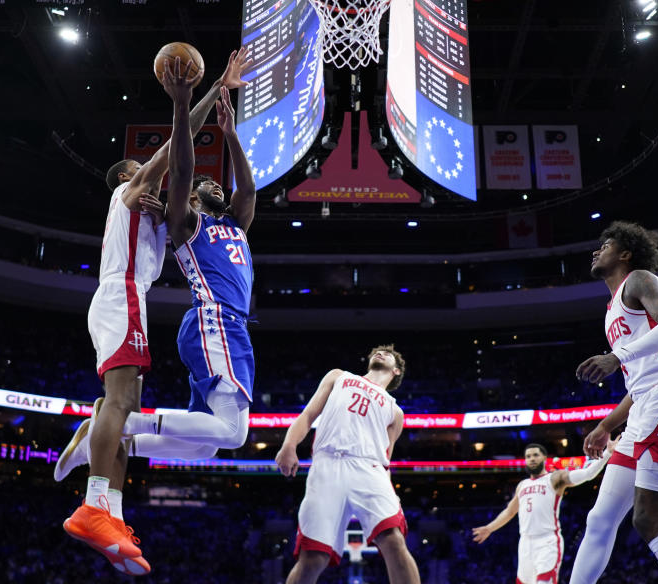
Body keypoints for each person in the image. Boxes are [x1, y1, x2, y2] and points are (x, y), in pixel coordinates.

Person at [56, 48, 251, 576]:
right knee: (118, 405)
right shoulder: (128, 189)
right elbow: (177, 151)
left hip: (127, 299)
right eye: (143, 169)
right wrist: (195, 96)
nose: (151, 172)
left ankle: (111, 513)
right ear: (128, 175)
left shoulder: (159, 215)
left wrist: (215, 98)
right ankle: (95, 500)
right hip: (123, 295)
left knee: (124, 407)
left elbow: (187, 176)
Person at [568, 221, 658, 584]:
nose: (596, 251)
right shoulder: (611, 308)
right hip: (650, 399)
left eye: (606, 245)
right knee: (599, 518)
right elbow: (640, 379)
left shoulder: (639, 280)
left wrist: (616, 357)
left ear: (626, 254)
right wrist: (605, 426)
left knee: (648, 518)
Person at [275, 345, 421, 584]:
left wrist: (391, 491)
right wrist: (289, 445)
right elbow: (308, 415)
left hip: (369, 469)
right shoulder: (339, 376)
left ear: (396, 371)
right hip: (327, 465)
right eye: (378, 352)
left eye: (388, 354)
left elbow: (386, 458)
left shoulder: (396, 412)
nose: (380, 353)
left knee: (393, 540)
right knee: (313, 557)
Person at [472, 438, 618, 584]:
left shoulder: (554, 478)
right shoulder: (522, 485)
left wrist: (607, 453)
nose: (532, 459)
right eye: (528, 456)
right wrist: (489, 528)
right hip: (525, 544)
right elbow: (509, 512)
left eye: (535, 455)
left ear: (544, 458)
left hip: (547, 542)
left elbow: (587, 474)